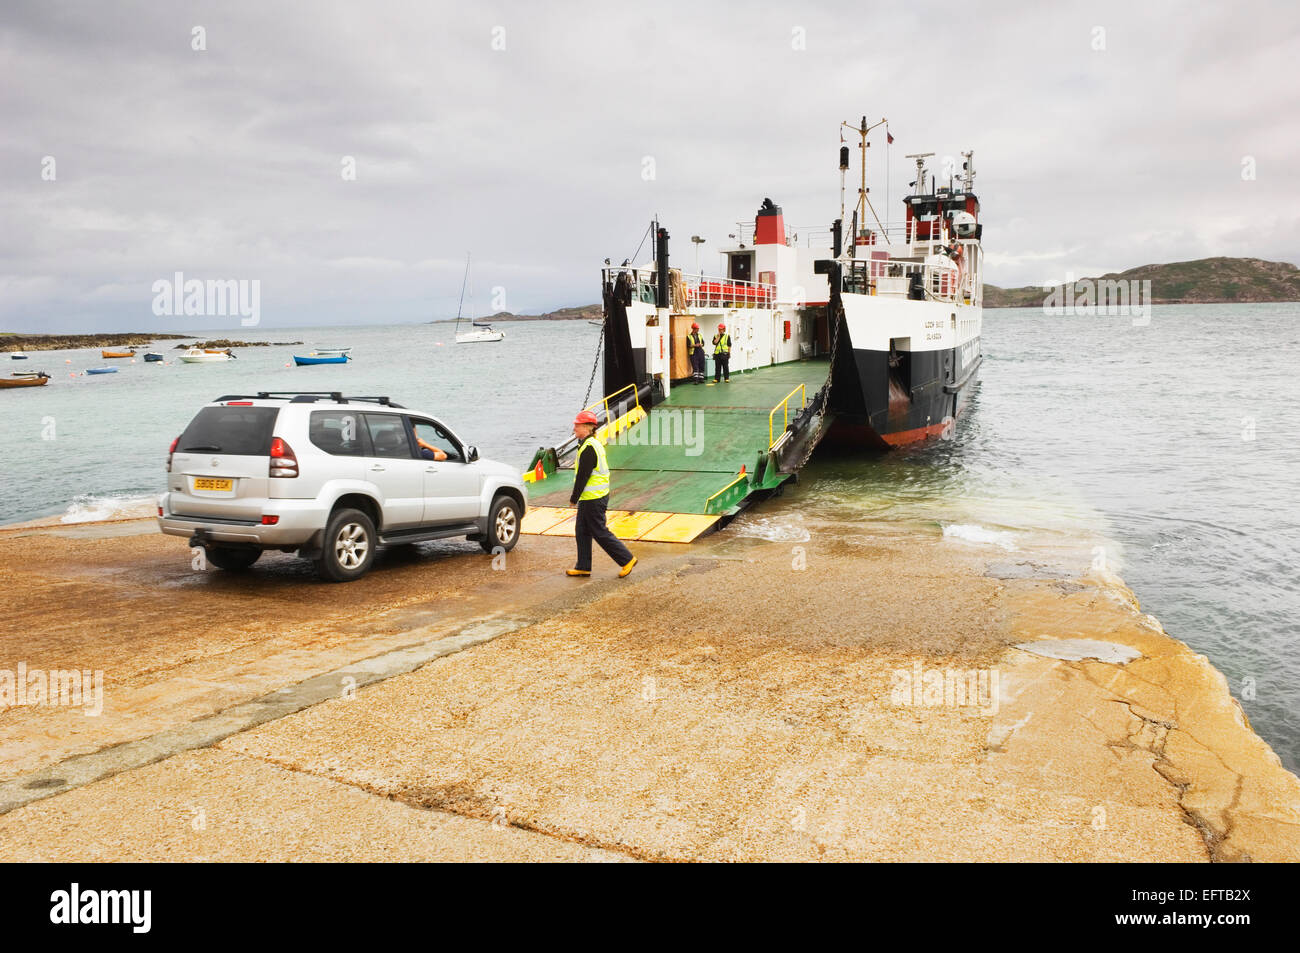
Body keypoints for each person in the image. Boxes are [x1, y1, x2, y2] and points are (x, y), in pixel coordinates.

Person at [567, 410, 636, 578]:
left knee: (599, 531)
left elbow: (583, 476)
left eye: (577, 425)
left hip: (594, 498)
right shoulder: (589, 443)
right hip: (592, 497)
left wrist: (573, 498)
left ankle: (627, 559)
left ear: (587, 427)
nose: (574, 427)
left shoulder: (589, 448)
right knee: (582, 530)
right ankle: (583, 566)